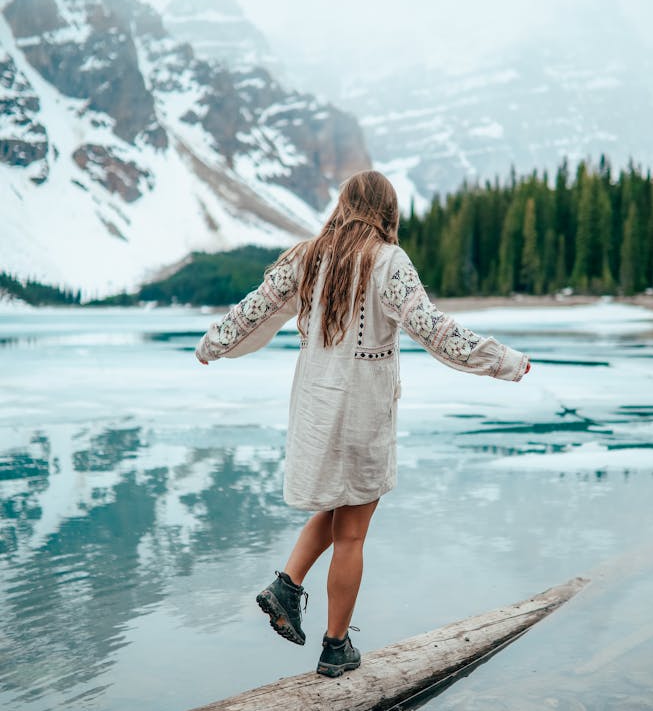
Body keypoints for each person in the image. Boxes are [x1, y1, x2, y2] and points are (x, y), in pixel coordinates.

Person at [195, 170, 531, 677]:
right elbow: (435, 331)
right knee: (351, 531)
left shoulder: (306, 257)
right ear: (388, 212)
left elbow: (250, 313)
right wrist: (502, 361)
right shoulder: (388, 262)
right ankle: (335, 646)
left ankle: (287, 585)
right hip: (362, 414)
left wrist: (211, 345)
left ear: (343, 205)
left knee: (337, 511)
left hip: (314, 410)